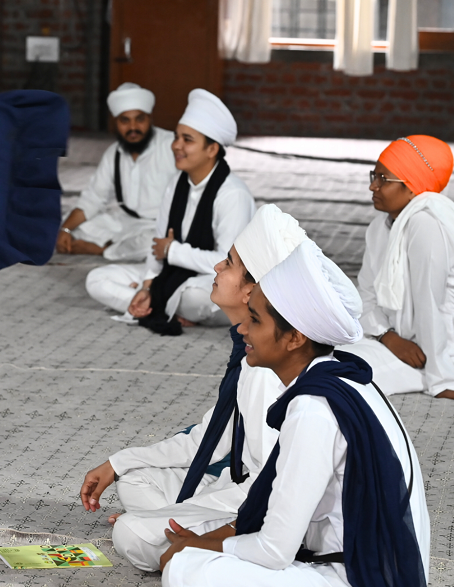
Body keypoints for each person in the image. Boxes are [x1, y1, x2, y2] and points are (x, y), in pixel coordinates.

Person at [160, 240, 430, 587]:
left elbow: (274, 549)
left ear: (294, 339)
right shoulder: (342, 376)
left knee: (185, 571)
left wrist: (197, 548)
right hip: (373, 564)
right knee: (187, 552)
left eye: (254, 320)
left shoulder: (312, 409)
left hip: (357, 576)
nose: (242, 329)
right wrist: (203, 543)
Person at [79, 205, 307, 572]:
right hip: (232, 485)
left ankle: (200, 548)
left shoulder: (267, 368)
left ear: (253, 289)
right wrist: (118, 463)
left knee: (130, 533)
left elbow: (273, 485)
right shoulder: (250, 349)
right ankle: (182, 534)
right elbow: (208, 438)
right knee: (135, 482)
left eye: (229, 263)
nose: (217, 267)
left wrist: (206, 525)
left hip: (255, 499)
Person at [86, 89, 255, 333]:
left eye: (187, 140)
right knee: (97, 280)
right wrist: (146, 285)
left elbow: (227, 265)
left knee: (196, 297)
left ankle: (158, 302)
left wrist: (173, 251)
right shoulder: (176, 183)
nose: (176, 145)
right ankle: (156, 302)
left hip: (217, 281)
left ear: (212, 149)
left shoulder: (232, 194)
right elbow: (158, 244)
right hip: (174, 274)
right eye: (176, 137)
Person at [341, 135, 454, 402]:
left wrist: (443, 381)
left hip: (437, 357)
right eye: (373, 176)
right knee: (312, 353)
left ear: (412, 187)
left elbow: (431, 304)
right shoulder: (379, 227)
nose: (373, 187)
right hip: (393, 342)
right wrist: (389, 338)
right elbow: (365, 294)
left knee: (333, 374)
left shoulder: (427, 226)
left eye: (383, 180)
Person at [56, 82, 176, 261]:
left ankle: (101, 250)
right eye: (125, 120)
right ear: (116, 122)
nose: (133, 128)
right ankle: (116, 247)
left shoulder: (171, 145)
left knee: (154, 244)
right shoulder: (114, 153)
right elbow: (93, 199)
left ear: (150, 118)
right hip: (125, 221)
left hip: (161, 226)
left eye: (140, 119)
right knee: (73, 226)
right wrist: (64, 230)